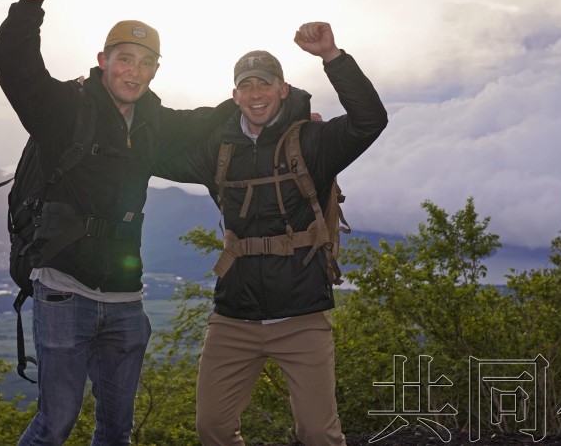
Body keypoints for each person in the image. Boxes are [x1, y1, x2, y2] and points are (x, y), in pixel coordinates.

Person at [0, 0, 233, 446]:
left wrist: (287, 108)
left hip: (126, 296)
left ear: (156, 70)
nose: (134, 71)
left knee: (117, 430)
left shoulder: (154, 124)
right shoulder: (64, 110)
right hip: (63, 288)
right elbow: (14, 64)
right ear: (103, 59)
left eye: (146, 63)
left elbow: (209, 119)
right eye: (125, 59)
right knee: (55, 423)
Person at [156, 22, 388, 446]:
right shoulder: (219, 149)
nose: (256, 93)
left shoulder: (313, 142)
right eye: (246, 86)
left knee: (318, 433)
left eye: (265, 83)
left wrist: (332, 57)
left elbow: (370, 120)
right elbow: (153, 152)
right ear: (234, 96)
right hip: (234, 315)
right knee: (212, 427)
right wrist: (102, 101)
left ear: (284, 89)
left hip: (301, 315)